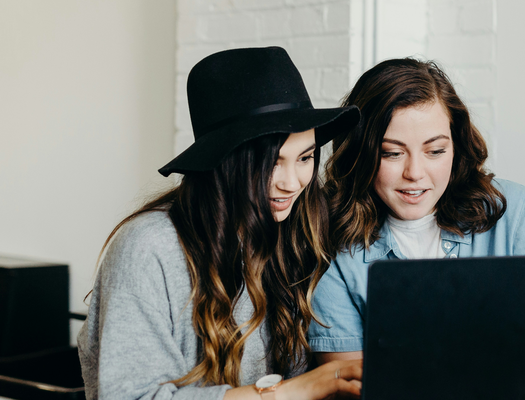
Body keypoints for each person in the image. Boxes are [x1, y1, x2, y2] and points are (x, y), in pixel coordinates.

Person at [78, 47, 364, 399]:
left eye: (305, 157)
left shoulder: (295, 233)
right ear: (226, 162)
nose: (292, 182)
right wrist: (297, 390)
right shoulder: (150, 247)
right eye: (272, 163)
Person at [308, 58, 525, 377]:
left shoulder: (512, 209)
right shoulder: (329, 237)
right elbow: (345, 378)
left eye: (435, 151)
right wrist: (492, 354)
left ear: (456, 145)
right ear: (361, 153)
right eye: (392, 153)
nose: (415, 173)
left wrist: (429, 365)